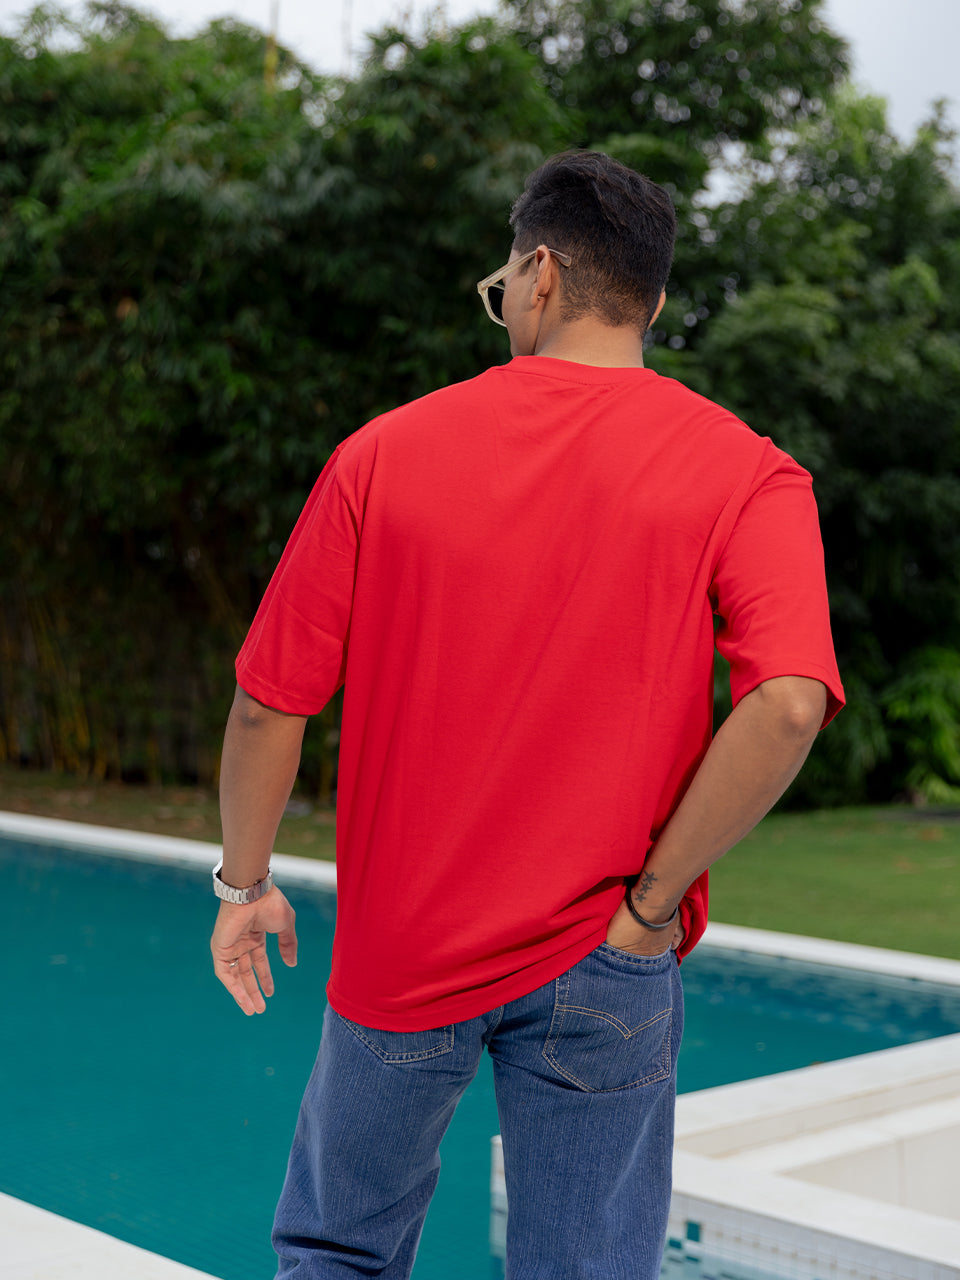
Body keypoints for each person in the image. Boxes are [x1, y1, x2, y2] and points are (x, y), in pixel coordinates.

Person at [210, 151, 844, 1280]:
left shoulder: (383, 453)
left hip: (406, 951)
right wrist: (652, 904)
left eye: (505, 280)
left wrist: (246, 885)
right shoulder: (749, 471)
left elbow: (269, 701)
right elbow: (790, 701)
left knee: (335, 1252)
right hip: (609, 951)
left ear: (539, 274)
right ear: (648, 299)